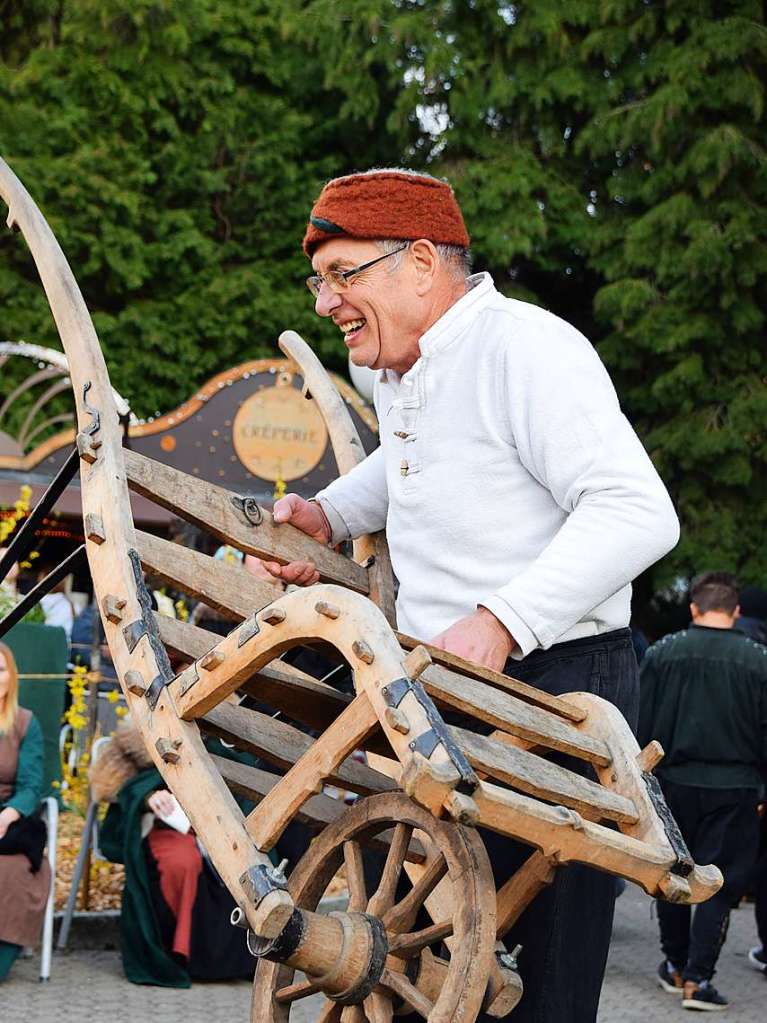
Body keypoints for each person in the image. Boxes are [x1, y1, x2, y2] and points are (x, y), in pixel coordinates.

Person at [263, 167, 681, 1023]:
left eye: (343, 274)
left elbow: (639, 512)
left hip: (554, 688)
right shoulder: (406, 369)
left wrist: (502, 620)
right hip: (447, 688)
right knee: (433, 960)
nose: (325, 301)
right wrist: (329, 516)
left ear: (419, 262)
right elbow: (417, 464)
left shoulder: (525, 348)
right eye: (320, 279)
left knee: (539, 982)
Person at [639, 572, 767, 1010]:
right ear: (736, 611)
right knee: (719, 882)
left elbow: (641, 722)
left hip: (671, 783)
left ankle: (675, 966)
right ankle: (698, 980)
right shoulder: (759, 660)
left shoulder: (661, 652)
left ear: (694, 608)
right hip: (735, 788)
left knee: (675, 873)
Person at [94, 719, 257, 987]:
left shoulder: (222, 724)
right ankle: (179, 954)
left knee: (241, 864)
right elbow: (120, 786)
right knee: (182, 862)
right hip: (162, 827)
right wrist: (148, 797)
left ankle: (234, 960)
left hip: (218, 825)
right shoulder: (138, 733)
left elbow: (242, 777)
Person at [0, 641, 51, 982]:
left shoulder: (24, 723)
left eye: (1, 669)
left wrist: (8, 814)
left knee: (17, 871)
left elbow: (32, 785)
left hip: (7, 815)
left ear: (11, 677)